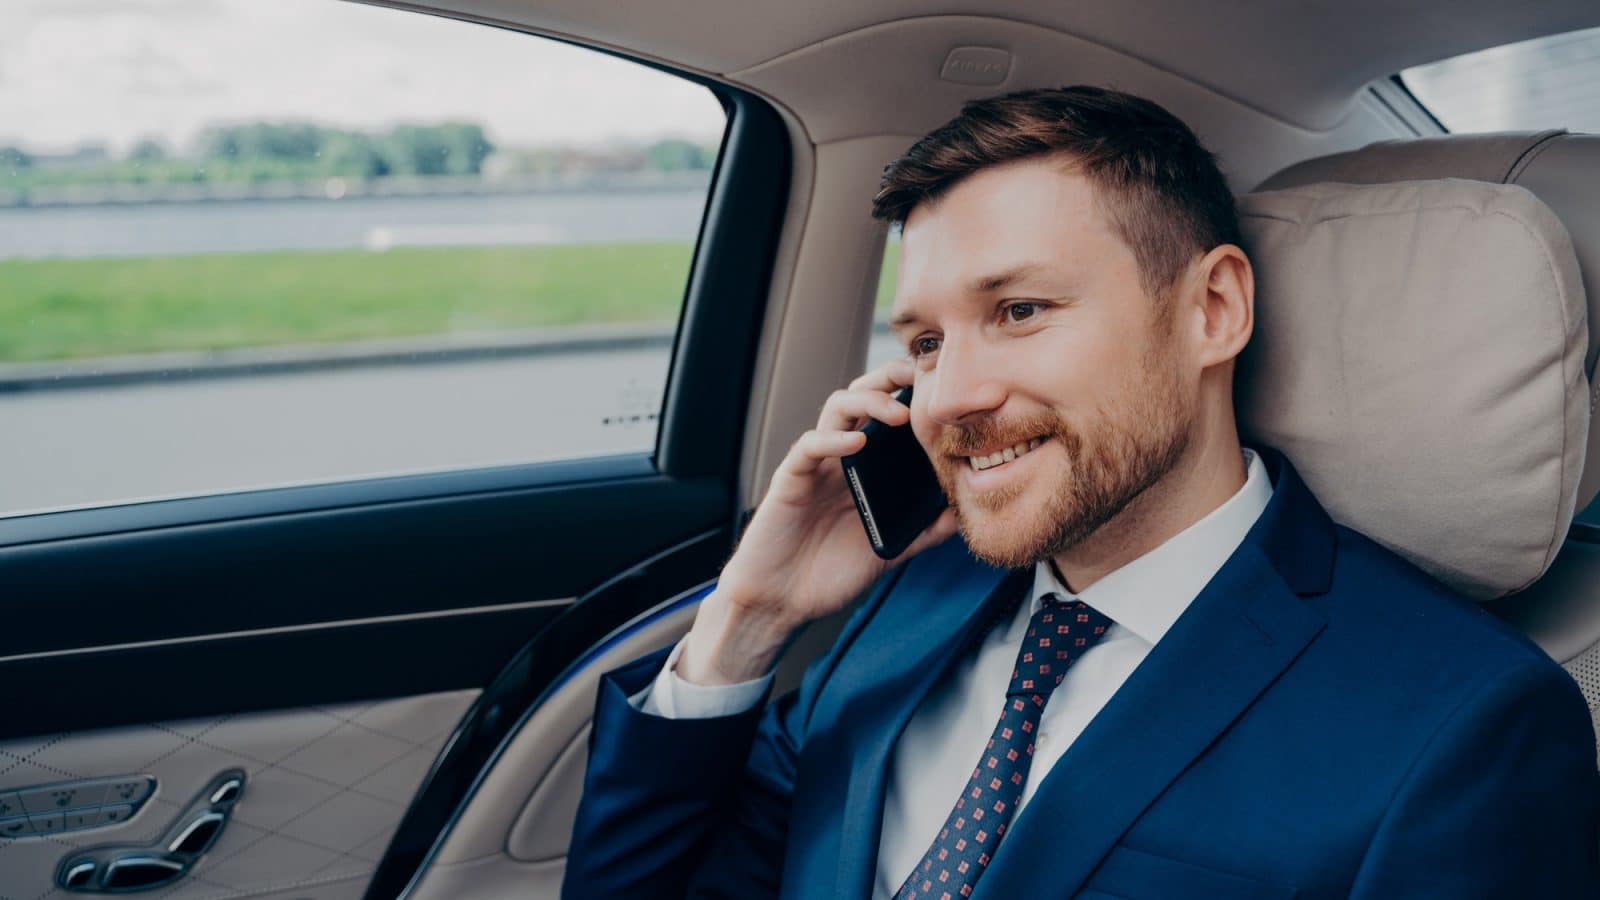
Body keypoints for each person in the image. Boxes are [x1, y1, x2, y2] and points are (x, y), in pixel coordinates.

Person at [562, 86, 1600, 899]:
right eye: (925, 342)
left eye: (1018, 310)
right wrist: (748, 619)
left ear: (1212, 310)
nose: (947, 398)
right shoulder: (910, 601)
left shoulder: (1469, 728)